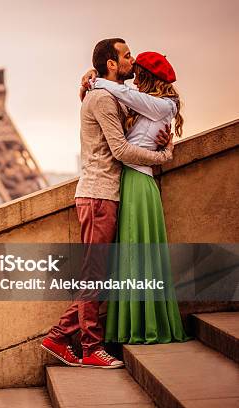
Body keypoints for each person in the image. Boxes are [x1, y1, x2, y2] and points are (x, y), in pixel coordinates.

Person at [40, 38, 175, 369]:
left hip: (102, 193)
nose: (132, 61)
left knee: (100, 272)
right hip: (99, 194)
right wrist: (163, 155)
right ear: (112, 64)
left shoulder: (105, 93)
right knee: (96, 274)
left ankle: (60, 337)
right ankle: (87, 346)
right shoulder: (101, 98)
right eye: (126, 56)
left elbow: (136, 119)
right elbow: (122, 150)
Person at [83, 52, 190, 345]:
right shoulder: (150, 104)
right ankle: (138, 323)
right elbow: (122, 93)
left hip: (138, 181)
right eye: (127, 58)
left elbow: (120, 91)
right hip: (131, 181)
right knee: (133, 255)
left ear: (146, 76)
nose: (133, 72)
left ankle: (141, 325)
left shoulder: (161, 105)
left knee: (136, 253)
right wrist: (93, 75)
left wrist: (95, 79)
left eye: (137, 68)